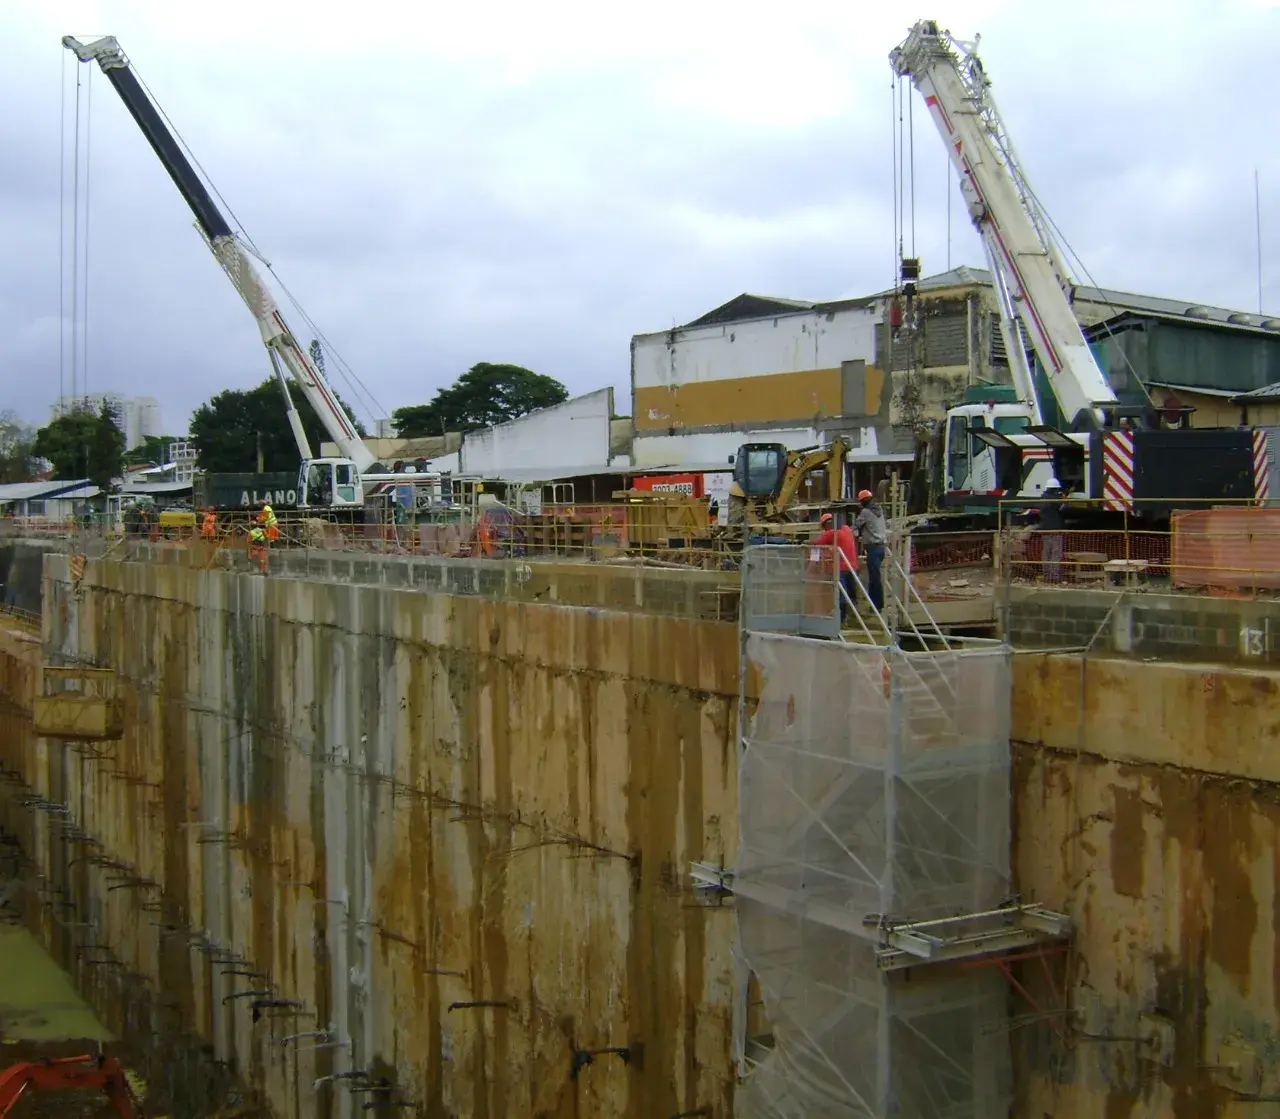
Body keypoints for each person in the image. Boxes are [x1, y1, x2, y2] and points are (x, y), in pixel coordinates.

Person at [813, 511, 858, 621]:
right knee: (851, 593)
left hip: (840, 568)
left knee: (840, 593)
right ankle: (853, 617)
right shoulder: (847, 529)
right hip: (852, 566)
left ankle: (841, 618)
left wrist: (803, 543)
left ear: (825, 525)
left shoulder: (831, 533)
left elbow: (815, 544)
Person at [854, 488, 888, 612]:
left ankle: (877, 605)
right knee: (876, 577)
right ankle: (877, 604)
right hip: (882, 547)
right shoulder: (880, 510)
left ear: (863, 501)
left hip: (873, 548)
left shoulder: (865, 512)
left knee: (874, 579)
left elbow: (856, 526)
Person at [1037, 477, 1067, 583]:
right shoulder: (1057, 499)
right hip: (1056, 529)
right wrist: (1064, 499)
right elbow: (1064, 508)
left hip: (1044, 529)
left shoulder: (1042, 498)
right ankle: (1054, 576)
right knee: (1056, 553)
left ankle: (1046, 575)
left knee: (1046, 553)